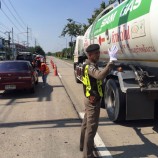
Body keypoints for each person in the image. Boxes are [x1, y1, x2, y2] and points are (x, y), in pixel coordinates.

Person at [80, 44, 118, 158]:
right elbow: (100, 76)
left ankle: (83, 146)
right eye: (96, 53)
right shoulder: (90, 67)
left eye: (98, 52)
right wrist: (110, 62)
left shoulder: (88, 65)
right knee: (91, 128)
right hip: (92, 100)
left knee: (86, 124)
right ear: (90, 55)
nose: (98, 55)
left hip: (89, 98)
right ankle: (88, 155)